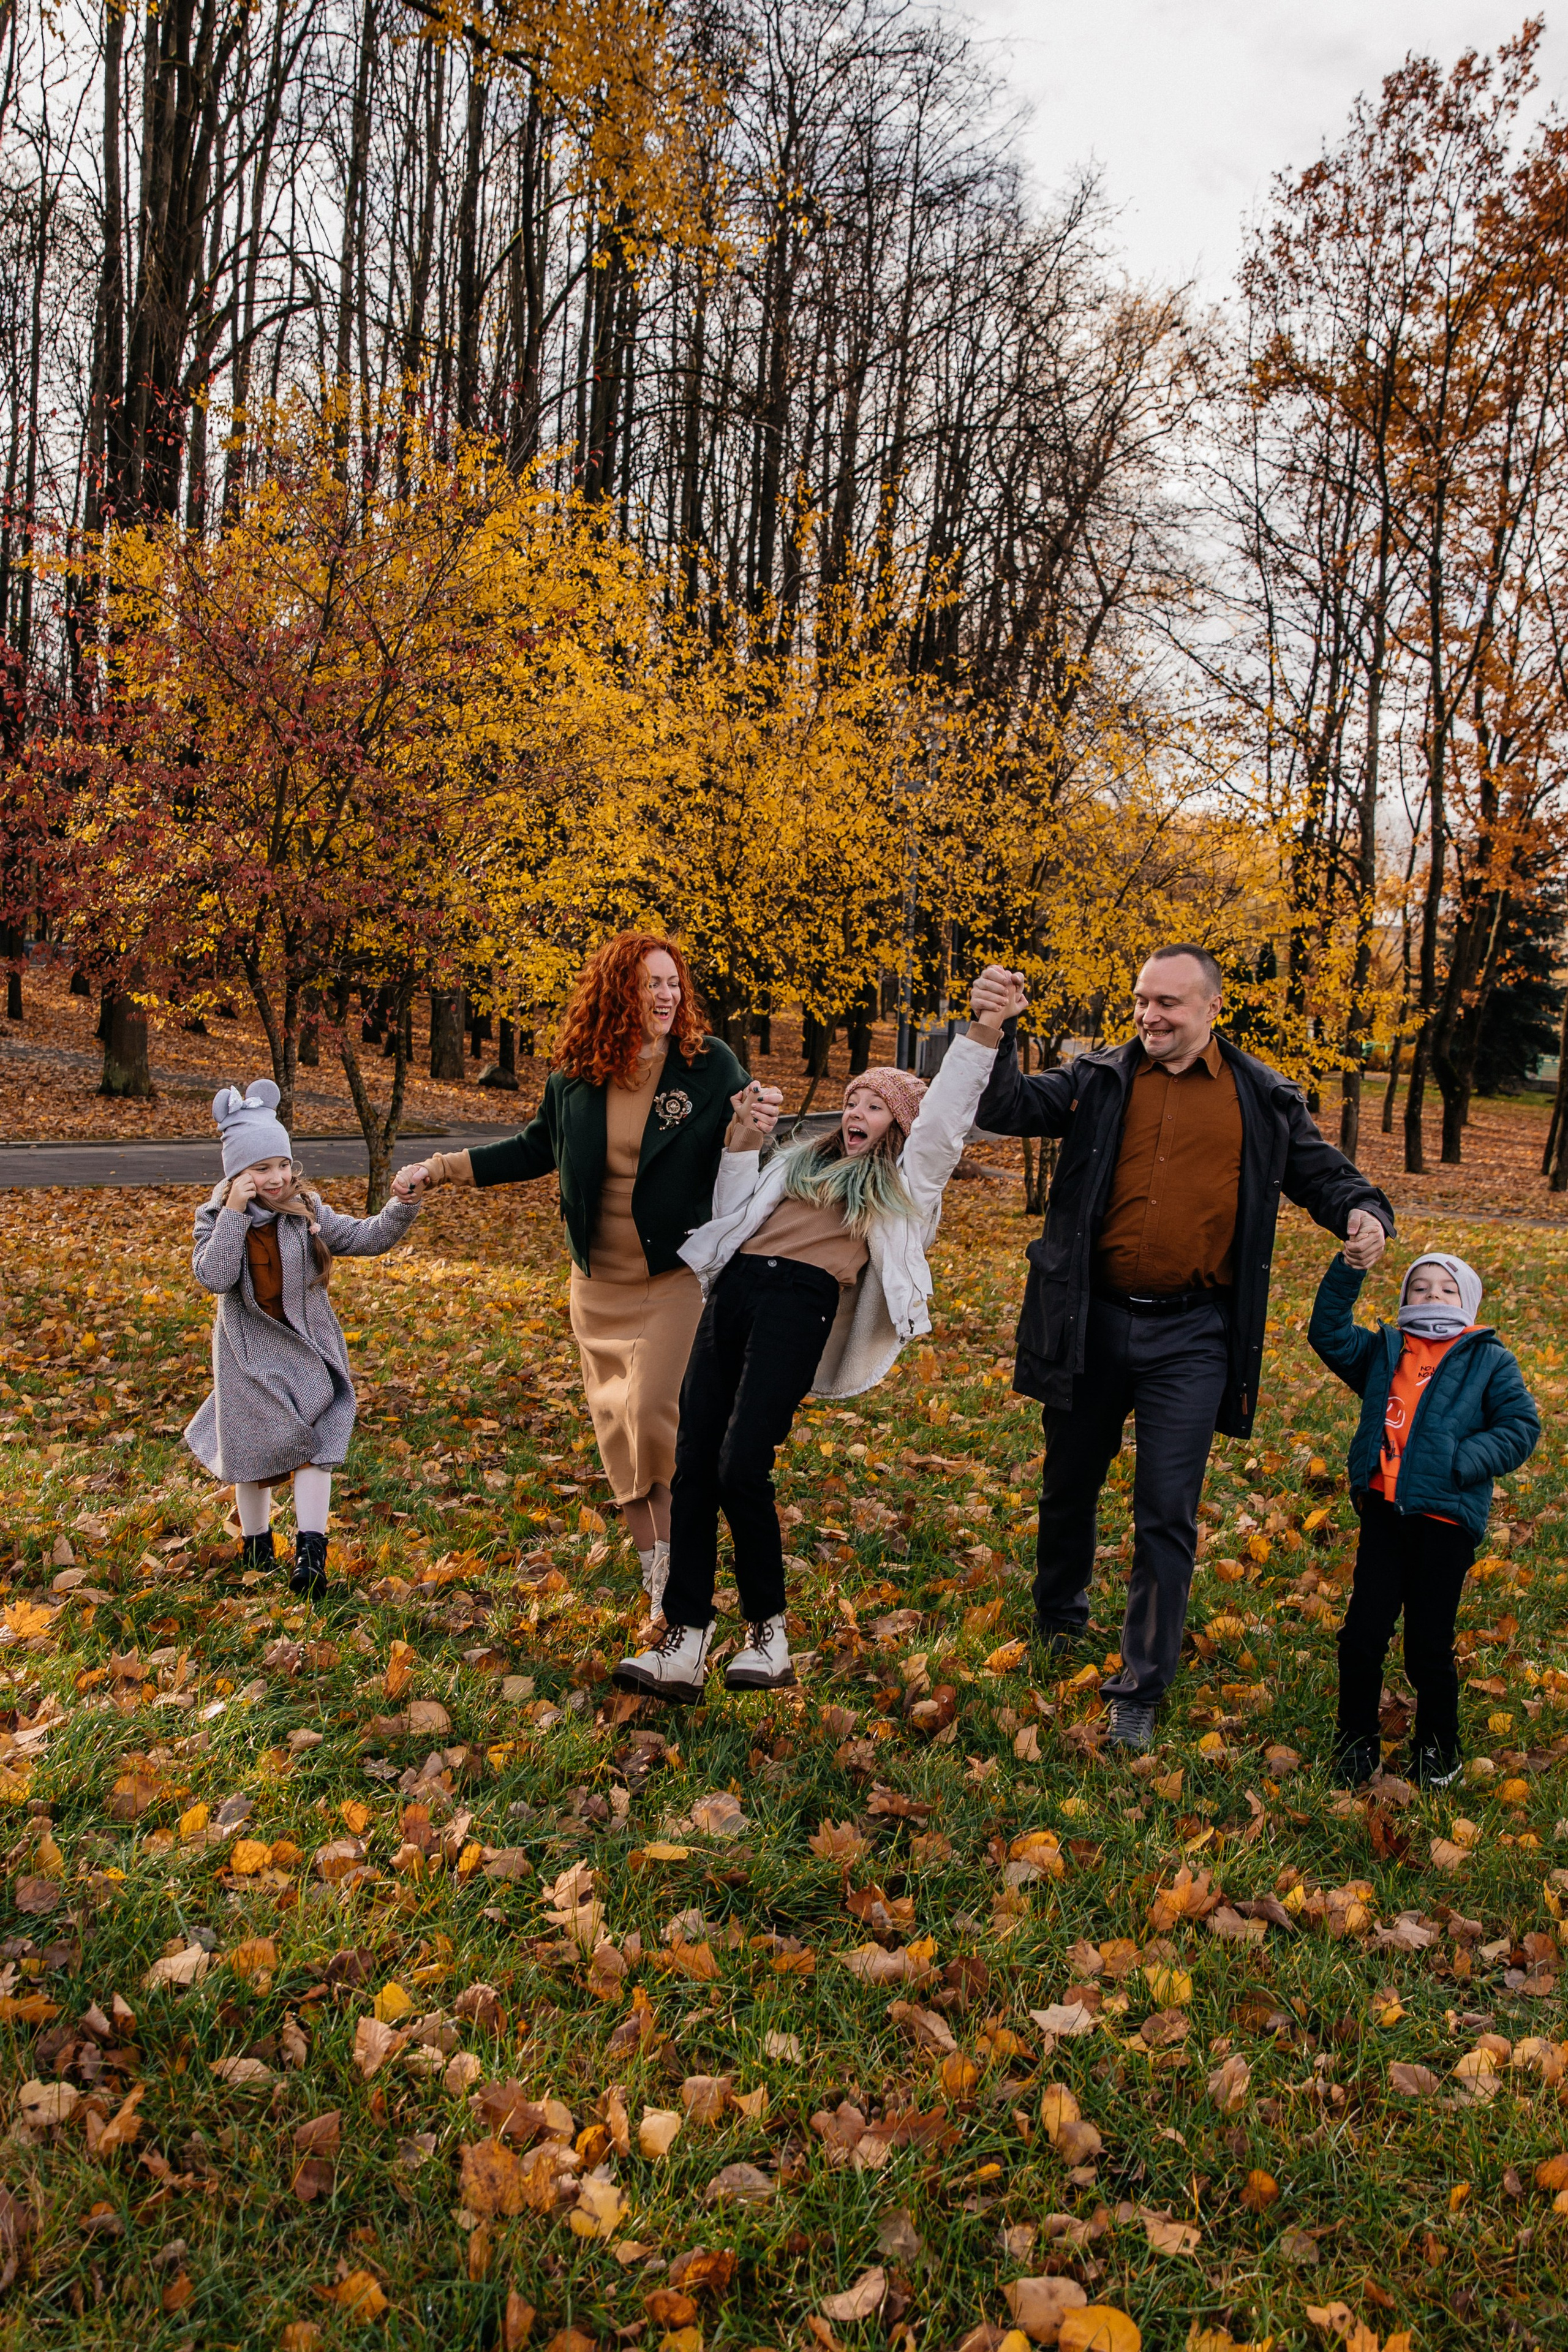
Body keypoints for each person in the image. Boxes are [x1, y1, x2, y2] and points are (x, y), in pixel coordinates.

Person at [974, 944, 1395, 1751]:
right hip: (1090, 1320)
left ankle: (1141, 1684)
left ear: (1211, 1008)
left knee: (1166, 1510)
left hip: (1194, 1334)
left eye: (1168, 1002)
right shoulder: (1100, 1079)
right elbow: (1007, 1110)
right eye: (1141, 999)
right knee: (1068, 1484)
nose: (1149, 1015)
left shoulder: (1261, 1099)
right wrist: (994, 1028)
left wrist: (1363, 1214)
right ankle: (1060, 1614)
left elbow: (1324, 1176)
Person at [614, 967, 1025, 1703]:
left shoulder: (908, 1180)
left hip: (797, 1305)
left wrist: (985, 1030)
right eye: (852, 1099)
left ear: (899, 1125)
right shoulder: (801, 1161)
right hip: (733, 1292)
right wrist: (742, 1140)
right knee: (693, 1466)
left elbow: (947, 1117)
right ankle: (686, 1639)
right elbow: (734, 1208)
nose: (857, 1109)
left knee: (743, 1466)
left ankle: (767, 1635)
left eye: (876, 1104)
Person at [402, 933, 748, 1615]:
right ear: (620, 992)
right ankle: (657, 1576)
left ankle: (680, 1576)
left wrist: (760, 1135)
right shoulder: (576, 1076)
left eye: (673, 983)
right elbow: (535, 1148)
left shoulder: (708, 1067)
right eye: (652, 983)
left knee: (654, 1415)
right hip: (598, 1289)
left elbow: (746, 1147)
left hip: (673, 1278)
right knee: (617, 1433)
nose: (667, 995)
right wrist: (439, 1169)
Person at [1308, 1246, 1539, 1787]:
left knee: (1427, 1646)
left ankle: (1439, 1750)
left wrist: (1462, 1461)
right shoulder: (1386, 1349)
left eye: (1446, 1288)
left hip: (1445, 1522)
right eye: (1420, 1286)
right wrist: (1349, 1269)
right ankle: (1356, 1743)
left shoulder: (1488, 1358)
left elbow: (1520, 1426)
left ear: (1469, 1300)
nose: (1432, 1295)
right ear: (1404, 1295)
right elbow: (1328, 1333)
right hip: (1385, 1515)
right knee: (1362, 1635)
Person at [186, 1081, 423, 1597]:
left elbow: (366, 1238)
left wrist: (400, 1207)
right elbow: (216, 1277)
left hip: (308, 1351)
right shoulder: (214, 1219)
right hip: (249, 1357)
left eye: (282, 1165)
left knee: (317, 1445)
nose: (276, 1178)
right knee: (252, 1453)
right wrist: (232, 1213)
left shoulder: (307, 1209)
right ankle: (256, 1545)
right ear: (236, 1174)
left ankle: (310, 1555)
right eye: (261, 1169)